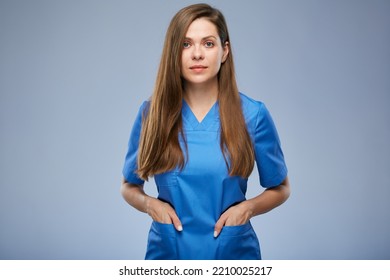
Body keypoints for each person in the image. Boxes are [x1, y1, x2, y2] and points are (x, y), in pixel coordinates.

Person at [121, 3, 290, 260]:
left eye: (208, 43)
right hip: (169, 254)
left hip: (232, 254)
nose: (197, 54)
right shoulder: (151, 114)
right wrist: (149, 205)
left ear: (224, 51)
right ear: (173, 53)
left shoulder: (253, 115)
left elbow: (281, 188)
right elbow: (128, 186)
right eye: (185, 44)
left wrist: (248, 209)